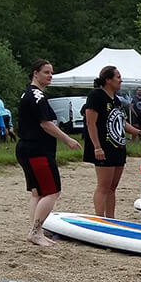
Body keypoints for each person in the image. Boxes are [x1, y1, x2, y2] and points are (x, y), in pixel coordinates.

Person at [15, 59, 82, 246]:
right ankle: (35, 231)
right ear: (35, 73)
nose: (50, 76)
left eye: (51, 72)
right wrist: (67, 139)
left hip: (26, 148)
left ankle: (36, 230)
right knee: (52, 192)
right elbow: (46, 124)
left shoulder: (27, 94)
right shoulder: (37, 96)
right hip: (37, 150)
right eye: (46, 72)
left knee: (37, 193)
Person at [83, 66, 141, 217]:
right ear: (108, 79)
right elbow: (90, 123)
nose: (121, 80)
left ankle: (111, 218)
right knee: (103, 186)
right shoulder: (96, 96)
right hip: (104, 146)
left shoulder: (117, 100)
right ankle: (100, 218)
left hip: (118, 146)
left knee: (112, 187)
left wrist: (139, 132)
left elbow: (122, 122)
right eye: (118, 77)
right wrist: (97, 147)